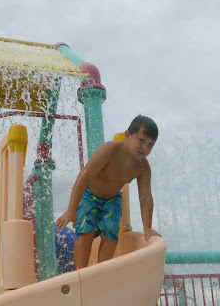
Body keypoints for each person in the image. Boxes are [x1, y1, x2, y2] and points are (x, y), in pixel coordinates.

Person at [56, 115, 161, 269]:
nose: (145, 147)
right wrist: (71, 210)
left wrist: (147, 228)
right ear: (127, 135)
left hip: (112, 199)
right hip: (89, 196)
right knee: (86, 232)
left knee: (111, 236)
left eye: (150, 144)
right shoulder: (109, 150)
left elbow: (145, 197)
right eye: (141, 140)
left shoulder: (143, 167)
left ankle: (101, 272)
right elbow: (83, 178)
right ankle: (80, 273)